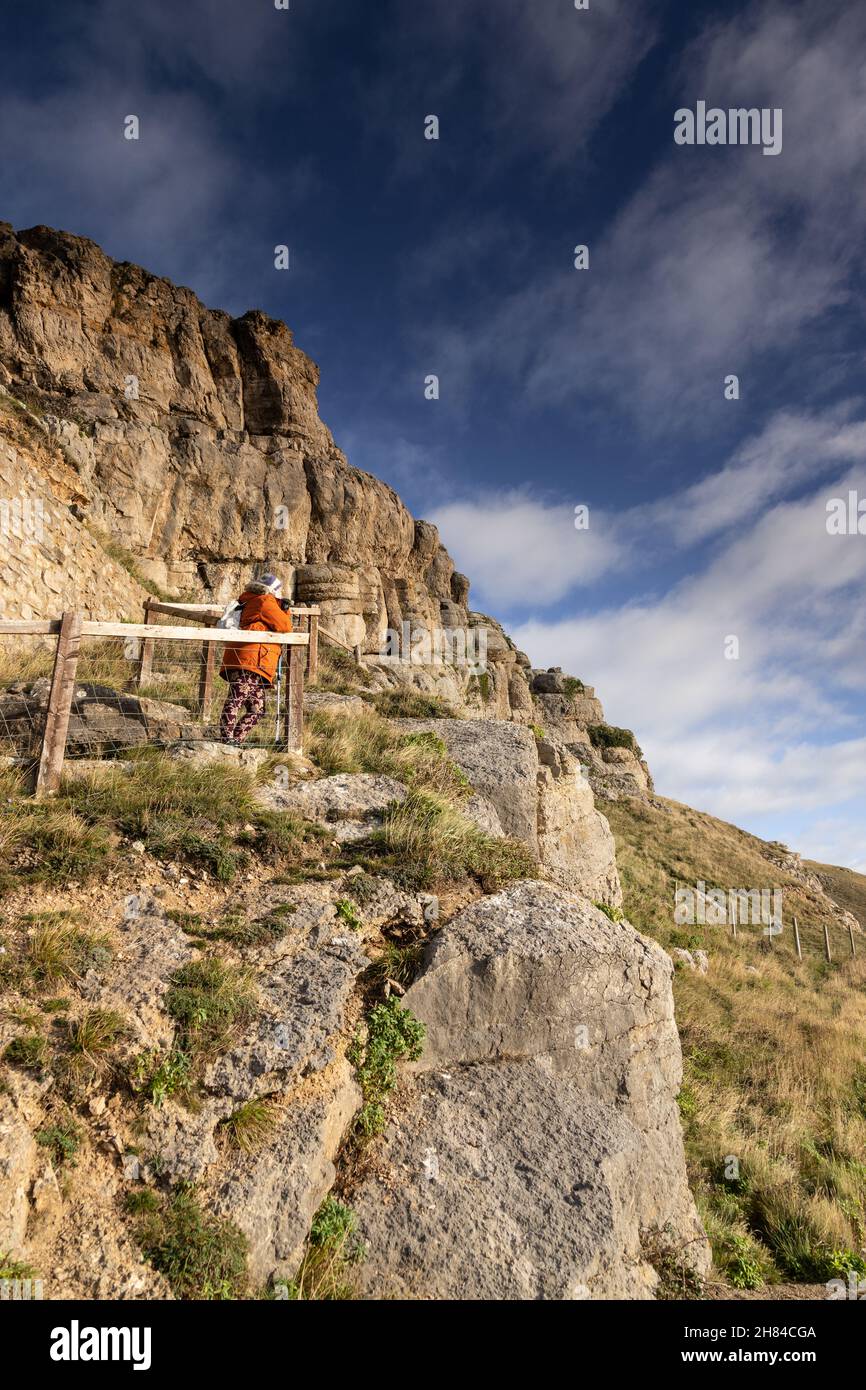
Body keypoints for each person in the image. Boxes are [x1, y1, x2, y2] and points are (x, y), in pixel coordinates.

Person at [218, 573, 292, 745]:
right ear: (274, 590)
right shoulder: (265, 601)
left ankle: (235, 740)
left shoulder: (249, 599)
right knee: (237, 699)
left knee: (257, 709)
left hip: (250, 659)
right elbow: (285, 626)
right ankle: (226, 740)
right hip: (250, 659)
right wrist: (285, 610)